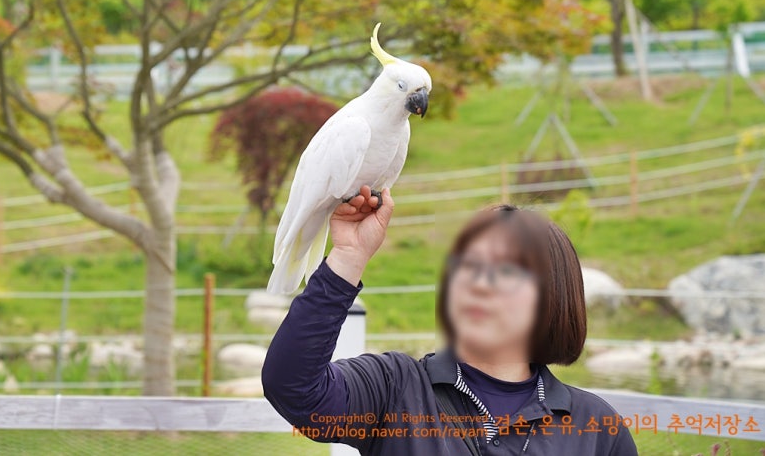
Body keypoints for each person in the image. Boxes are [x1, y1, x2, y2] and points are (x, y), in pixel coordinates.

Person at [262, 185, 639, 455]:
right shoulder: (393, 390)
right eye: (468, 266)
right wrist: (348, 256)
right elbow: (294, 389)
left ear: (551, 296)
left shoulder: (596, 429)